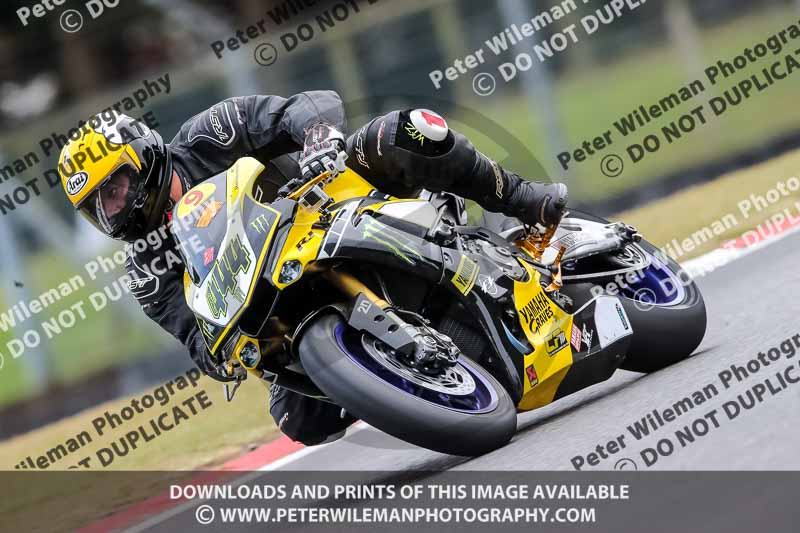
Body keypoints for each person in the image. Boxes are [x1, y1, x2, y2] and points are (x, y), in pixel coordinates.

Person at [57, 91, 568, 446]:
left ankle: (524, 199)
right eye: (98, 206)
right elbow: (196, 337)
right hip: (275, 303)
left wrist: (318, 137)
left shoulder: (209, 135)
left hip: (335, 204)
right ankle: (397, 381)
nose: (113, 210)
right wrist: (221, 354)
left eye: (115, 189)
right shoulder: (147, 271)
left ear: (144, 156)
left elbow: (303, 106)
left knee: (407, 130)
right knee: (299, 419)